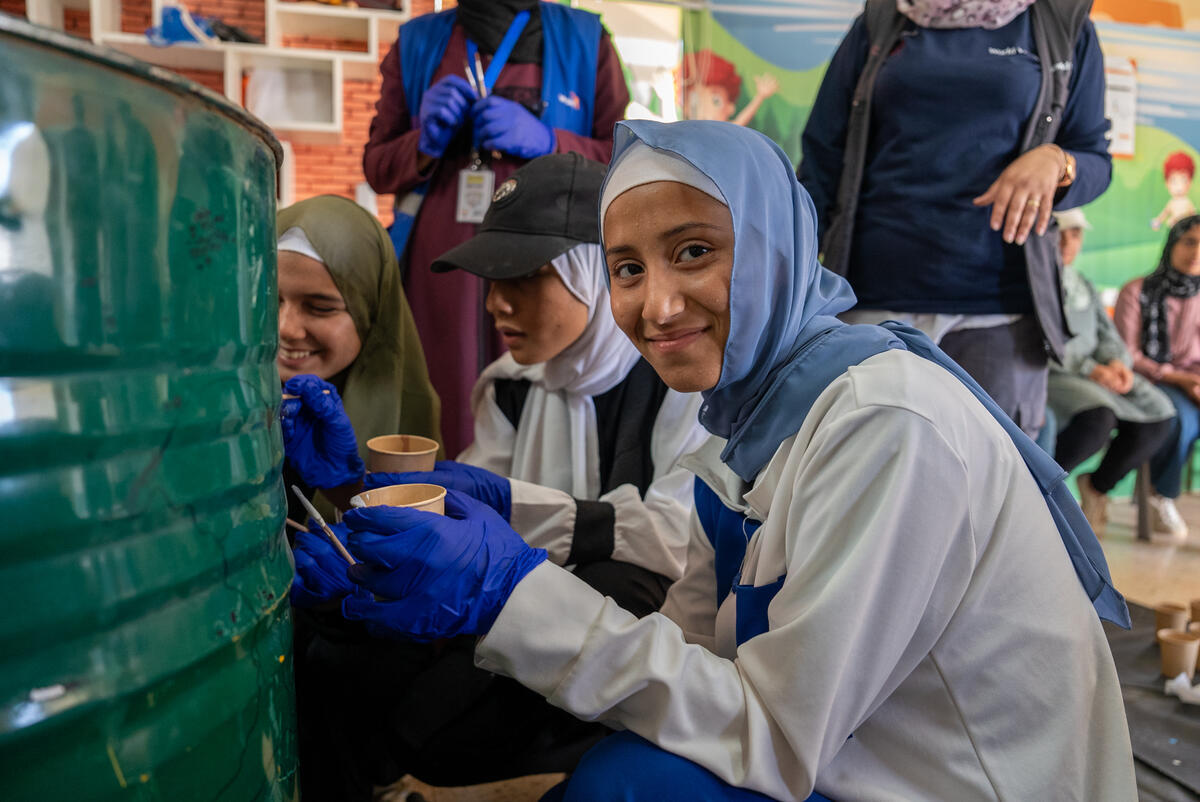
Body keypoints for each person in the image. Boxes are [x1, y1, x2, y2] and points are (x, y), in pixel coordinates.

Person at [331, 120, 1134, 801]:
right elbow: (693, 648)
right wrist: (498, 550)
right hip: (865, 747)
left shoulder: (887, 424)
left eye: (693, 251)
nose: (658, 304)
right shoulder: (748, 417)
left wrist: (510, 590)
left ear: (775, 247)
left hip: (957, 781)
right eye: (629, 269)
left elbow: (776, 736)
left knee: (630, 785)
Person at [290, 154, 708, 800]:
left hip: (645, 652)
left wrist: (515, 507)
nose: (495, 305)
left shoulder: (679, 390)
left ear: (594, 274)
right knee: (341, 658)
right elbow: (458, 540)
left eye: (523, 277)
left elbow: (678, 544)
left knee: (618, 578)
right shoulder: (509, 389)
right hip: (511, 625)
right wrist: (353, 498)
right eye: (489, 279)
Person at [799, 0, 1112, 438]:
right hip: (871, 295)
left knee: (989, 490)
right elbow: (821, 157)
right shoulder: (883, 18)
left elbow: (1095, 158)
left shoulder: (1062, 23)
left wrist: (1059, 161)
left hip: (997, 308)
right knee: (860, 477)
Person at [363, 0, 630, 456]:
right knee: (439, 381)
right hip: (440, 267)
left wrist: (549, 140)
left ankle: (536, 498)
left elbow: (625, 155)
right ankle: (438, 492)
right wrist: (422, 143)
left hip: (550, 260)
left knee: (545, 382)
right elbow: (377, 167)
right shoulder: (417, 42)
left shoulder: (587, 39)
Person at [276, 194, 441, 520]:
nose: (286, 328)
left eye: (320, 308)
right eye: (271, 300)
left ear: (373, 314)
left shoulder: (409, 427)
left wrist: (348, 491)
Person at [1044, 208, 1175, 536]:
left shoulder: (1082, 283)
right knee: (1097, 418)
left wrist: (1118, 364)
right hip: (1053, 375)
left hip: (1095, 375)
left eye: (1075, 233)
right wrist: (1091, 369)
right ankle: (1039, 490)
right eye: (1058, 231)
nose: (1066, 240)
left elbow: (1107, 335)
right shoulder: (1032, 284)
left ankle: (1097, 487)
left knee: (1159, 412)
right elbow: (1041, 344)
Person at [1114, 214, 1200, 541]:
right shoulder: (1137, 291)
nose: (1196, 252)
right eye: (1189, 241)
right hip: (1153, 380)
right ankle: (1160, 495)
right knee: (1179, 418)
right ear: (1172, 243)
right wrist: (1179, 379)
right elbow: (1129, 355)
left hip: (1194, 382)